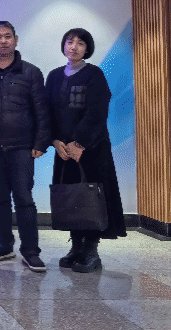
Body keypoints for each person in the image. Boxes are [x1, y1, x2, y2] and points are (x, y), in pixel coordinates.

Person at [45, 28, 126, 273]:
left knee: (92, 199)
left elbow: (97, 111)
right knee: (71, 198)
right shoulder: (54, 76)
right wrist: (55, 141)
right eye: (70, 42)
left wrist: (79, 143)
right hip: (63, 150)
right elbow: (47, 112)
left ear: (87, 49)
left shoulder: (94, 74)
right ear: (63, 45)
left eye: (80, 43)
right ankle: (76, 246)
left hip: (92, 149)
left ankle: (91, 250)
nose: (74, 47)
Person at [0, 21, 50, 272]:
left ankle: (31, 251)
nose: (3, 41)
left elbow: (41, 110)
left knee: (24, 199)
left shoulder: (31, 73)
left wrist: (40, 142)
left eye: (7, 36)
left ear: (16, 40)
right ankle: (4, 245)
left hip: (22, 147)